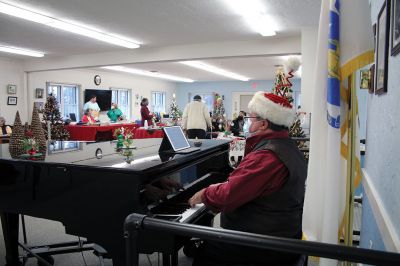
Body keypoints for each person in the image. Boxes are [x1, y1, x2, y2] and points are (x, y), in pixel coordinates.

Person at [188, 92, 308, 265]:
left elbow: (228, 195)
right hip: (281, 233)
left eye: (252, 118)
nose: (249, 122)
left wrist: (206, 193)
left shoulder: (267, 156)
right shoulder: (288, 148)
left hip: (262, 243)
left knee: (206, 254)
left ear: (263, 124)